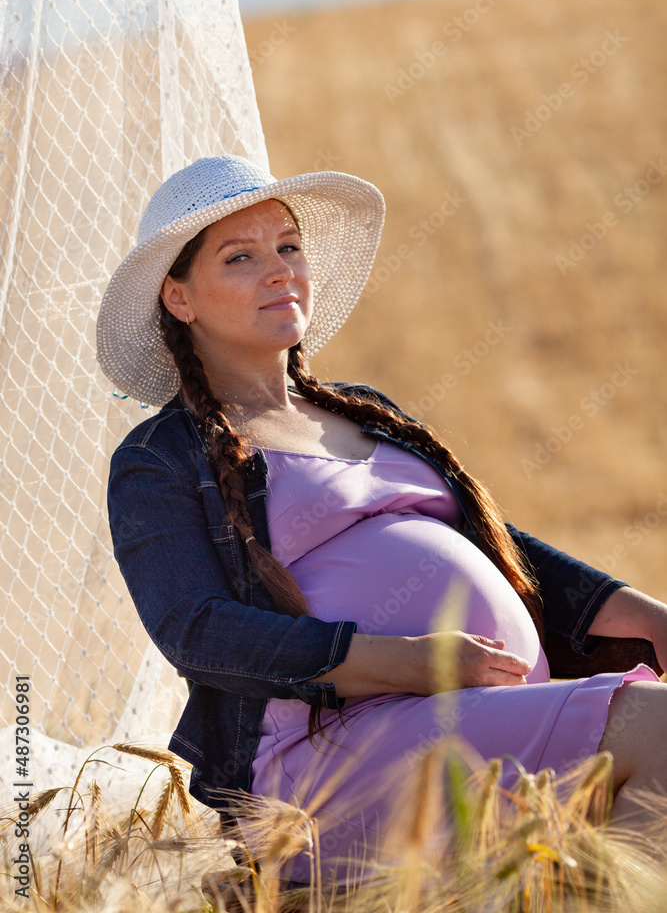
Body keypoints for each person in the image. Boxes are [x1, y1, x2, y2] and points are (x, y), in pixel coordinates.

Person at [97, 154, 667, 885]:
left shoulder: (360, 407)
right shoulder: (163, 457)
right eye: (240, 257)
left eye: (288, 247)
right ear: (180, 299)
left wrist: (644, 615)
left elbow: (499, 551)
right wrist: (414, 663)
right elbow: (198, 631)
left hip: (484, 711)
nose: (279, 271)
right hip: (329, 756)